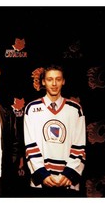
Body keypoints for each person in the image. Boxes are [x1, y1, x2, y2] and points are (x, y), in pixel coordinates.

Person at [23, 64, 86, 197]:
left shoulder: (75, 109)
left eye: (58, 79)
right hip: (41, 182)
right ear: (43, 82)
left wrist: (69, 174)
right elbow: (30, 145)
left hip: (68, 182)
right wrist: (42, 174)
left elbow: (79, 145)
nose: (54, 83)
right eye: (50, 79)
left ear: (63, 81)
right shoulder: (32, 108)